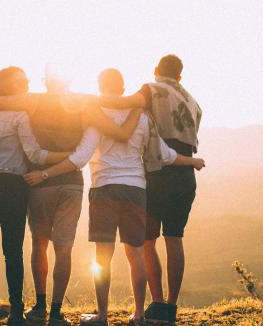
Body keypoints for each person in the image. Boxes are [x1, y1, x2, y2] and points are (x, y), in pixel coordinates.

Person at [25, 68, 204, 326]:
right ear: (122, 89)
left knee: (103, 256)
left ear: (100, 87)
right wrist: (192, 161)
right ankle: (139, 315)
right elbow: (164, 154)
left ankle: (102, 315)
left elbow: (80, 157)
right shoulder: (142, 117)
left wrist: (45, 173)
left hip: (104, 188)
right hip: (136, 190)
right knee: (136, 254)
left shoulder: (97, 116)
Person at [0, 71, 142, 325]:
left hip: (39, 183)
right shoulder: (82, 102)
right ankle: (57, 312)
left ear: (46, 81)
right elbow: (118, 113)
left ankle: (40, 307)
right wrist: (137, 101)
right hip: (72, 183)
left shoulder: (32, 100)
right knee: (63, 248)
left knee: (39, 244)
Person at [99, 54, 203, 324]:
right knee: (175, 238)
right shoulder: (193, 102)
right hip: (185, 174)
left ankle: (155, 303)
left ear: (157, 70)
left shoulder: (151, 89)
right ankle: (170, 307)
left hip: (158, 171)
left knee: (147, 240)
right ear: (180, 75)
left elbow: (122, 103)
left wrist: (87, 103)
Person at [0, 66, 71, 326]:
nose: (27, 84)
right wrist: (67, 156)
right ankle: (16, 312)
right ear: (12, 87)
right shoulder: (20, 116)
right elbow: (35, 155)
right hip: (12, 187)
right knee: (12, 251)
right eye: (22, 81)